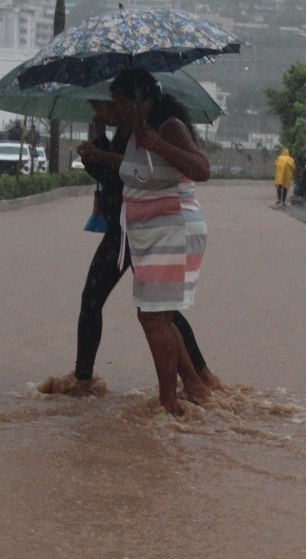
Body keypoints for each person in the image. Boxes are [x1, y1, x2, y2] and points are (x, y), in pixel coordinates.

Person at [37, 96, 220, 399]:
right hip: (127, 226)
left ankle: (191, 382)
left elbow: (135, 175)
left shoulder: (150, 131)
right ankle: (195, 380)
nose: (103, 112)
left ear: (136, 103)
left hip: (140, 229)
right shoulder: (126, 133)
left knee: (154, 311)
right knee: (153, 311)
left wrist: (101, 151)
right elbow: (117, 175)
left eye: (107, 105)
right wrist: (96, 148)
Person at [110, 68, 215, 417]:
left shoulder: (169, 126)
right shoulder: (132, 131)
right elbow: (139, 171)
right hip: (149, 233)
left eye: (124, 103)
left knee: (154, 319)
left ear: (145, 100)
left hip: (173, 226)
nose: (118, 110)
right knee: (155, 317)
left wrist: (157, 142)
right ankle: (195, 389)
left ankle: (169, 405)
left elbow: (202, 168)